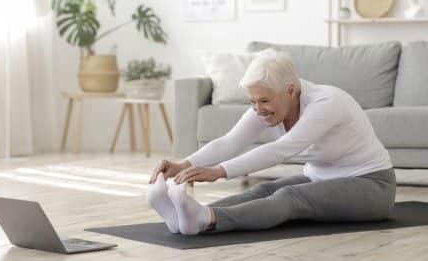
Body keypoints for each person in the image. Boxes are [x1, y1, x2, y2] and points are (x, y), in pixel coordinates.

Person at [147, 48, 396, 235]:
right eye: (252, 101)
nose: (258, 109)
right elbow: (230, 142)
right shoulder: (269, 104)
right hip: (321, 179)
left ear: (290, 90)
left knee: (290, 197)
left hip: (372, 186)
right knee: (263, 190)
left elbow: (280, 150)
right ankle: (188, 217)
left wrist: (219, 172)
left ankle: (209, 218)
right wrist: (183, 164)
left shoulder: (327, 103)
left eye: (263, 101)